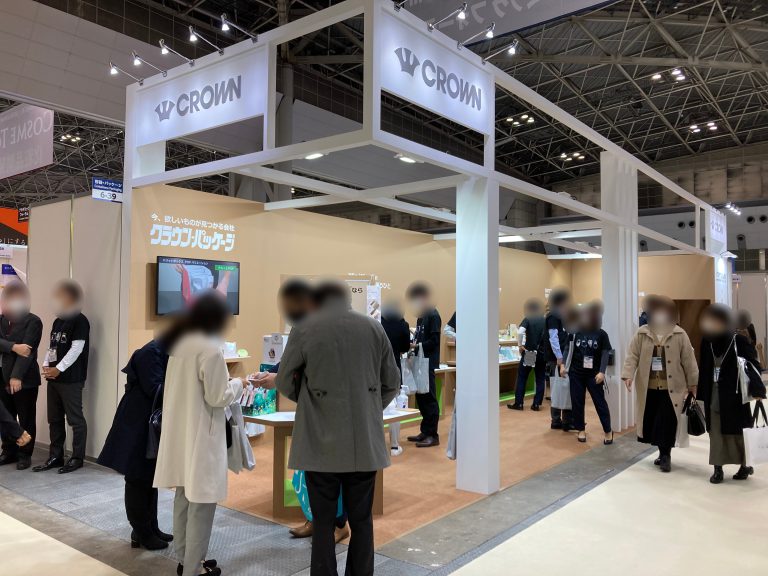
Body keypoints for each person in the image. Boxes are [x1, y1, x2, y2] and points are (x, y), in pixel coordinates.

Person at [276, 281, 400, 576]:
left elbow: (284, 381)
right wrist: (369, 408)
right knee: (362, 520)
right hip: (363, 443)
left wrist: (309, 401)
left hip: (320, 442)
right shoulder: (374, 328)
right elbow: (392, 382)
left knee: (322, 522)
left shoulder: (304, 328)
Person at [154, 293, 244, 576]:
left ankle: (185, 559)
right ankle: (194, 568)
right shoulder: (210, 349)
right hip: (202, 437)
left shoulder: (180, 345)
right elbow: (219, 396)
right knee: (202, 504)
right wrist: (239, 384)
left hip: (181, 434)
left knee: (183, 498)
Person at [98, 335, 172, 551]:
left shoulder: (160, 349)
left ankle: (150, 527)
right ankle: (141, 530)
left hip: (146, 421)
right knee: (138, 477)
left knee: (149, 476)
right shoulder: (151, 352)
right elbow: (156, 389)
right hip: (137, 422)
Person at [622, 295, 698, 473]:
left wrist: (692, 384)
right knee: (653, 421)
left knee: (666, 422)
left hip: (672, 388)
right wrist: (628, 375)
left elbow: (689, 360)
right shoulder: (642, 333)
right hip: (649, 387)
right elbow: (632, 355)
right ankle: (662, 452)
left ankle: (666, 456)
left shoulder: (680, 334)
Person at [697, 304, 767, 484]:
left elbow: (753, 365)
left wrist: (758, 390)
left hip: (735, 395)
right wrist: (700, 392)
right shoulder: (707, 341)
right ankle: (717, 468)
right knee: (715, 432)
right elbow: (703, 367)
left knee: (738, 432)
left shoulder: (739, 340)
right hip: (714, 393)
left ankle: (745, 465)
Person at [35, 280, 90, 474]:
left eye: (60, 296)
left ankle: (77, 457)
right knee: (54, 418)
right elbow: (53, 347)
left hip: (71, 379)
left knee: (75, 419)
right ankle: (55, 456)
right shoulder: (58, 321)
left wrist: (59, 368)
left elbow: (77, 349)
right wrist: (46, 364)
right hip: (54, 378)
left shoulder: (80, 320)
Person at [0, 280, 42, 470]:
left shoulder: (33, 321)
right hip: (2, 376)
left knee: (26, 417)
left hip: (25, 379)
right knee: (6, 416)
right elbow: (17, 347)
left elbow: (27, 352)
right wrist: (13, 346)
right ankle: (8, 451)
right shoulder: (2, 319)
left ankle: (25, 453)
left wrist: (16, 376)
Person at [564, 302, 613, 444]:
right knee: (577, 402)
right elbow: (567, 348)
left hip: (594, 375)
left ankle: (608, 431)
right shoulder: (575, 332)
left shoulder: (601, 334)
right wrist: (562, 365)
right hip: (576, 373)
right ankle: (581, 429)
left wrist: (602, 372)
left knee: (600, 403)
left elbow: (605, 352)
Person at [405, 282, 441, 448]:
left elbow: (434, 341)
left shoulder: (433, 315)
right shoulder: (421, 316)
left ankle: (433, 435)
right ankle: (425, 431)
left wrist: (416, 346)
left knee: (429, 398)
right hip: (419, 362)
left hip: (428, 362)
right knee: (421, 398)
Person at [381, 299, 411, 456]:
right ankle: (394, 446)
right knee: (394, 409)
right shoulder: (402, 324)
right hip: (394, 368)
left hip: (375, 369)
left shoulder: (375, 322)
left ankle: (377, 444)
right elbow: (405, 347)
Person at [508, 298, 546, 411]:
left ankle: (519, 403)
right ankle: (536, 404)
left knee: (523, 377)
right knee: (540, 378)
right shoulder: (545, 320)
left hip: (530, 353)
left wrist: (520, 345)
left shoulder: (528, 319)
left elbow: (520, 332)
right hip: (542, 353)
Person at [544, 288, 574, 430]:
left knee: (562, 387)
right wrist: (559, 357)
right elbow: (553, 338)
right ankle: (558, 420)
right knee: (558, 388)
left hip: (561, 357)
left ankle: (563, 420)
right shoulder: (553, 316)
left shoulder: (560, 316)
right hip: (557, 359)